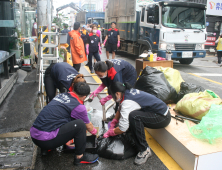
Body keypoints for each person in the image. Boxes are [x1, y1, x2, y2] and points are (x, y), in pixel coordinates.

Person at [30, 82, 99, 165]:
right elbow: (89, 126)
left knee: (61, 118)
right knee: (80, 125)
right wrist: (96, 133)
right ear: (84, 97)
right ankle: (79, 157)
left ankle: (45, 149)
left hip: (35, 136)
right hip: (46, 140)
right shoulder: (78, 107)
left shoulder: (61, 96)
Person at [104, 82, 171, 165]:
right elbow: (120, 109)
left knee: (134, 116)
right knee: (131, 115)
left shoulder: (127, 101)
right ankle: (134, 134)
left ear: (117, 93)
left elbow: (122, 128)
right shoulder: (127, 92)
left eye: (113, 97)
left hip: (162, 117)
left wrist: (111, 132)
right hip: (160, 111)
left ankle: (144, 150)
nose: (114, 99)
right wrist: (114, 122)